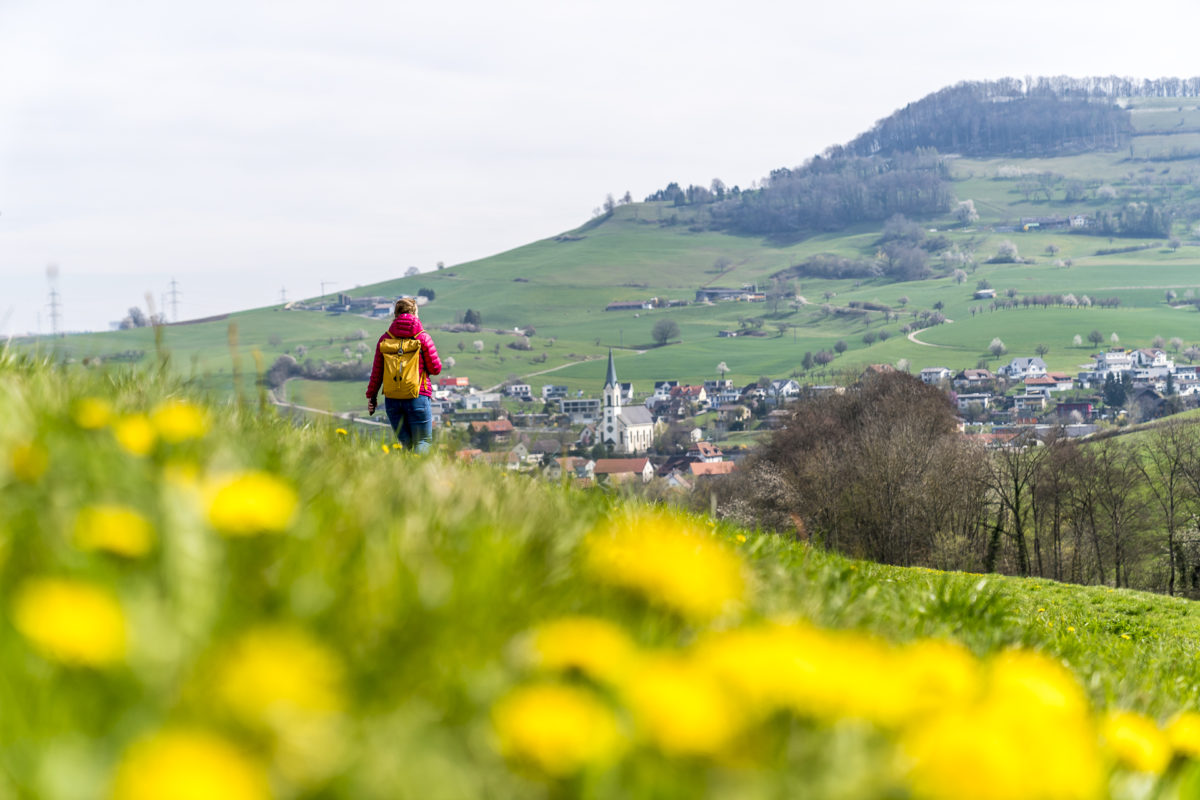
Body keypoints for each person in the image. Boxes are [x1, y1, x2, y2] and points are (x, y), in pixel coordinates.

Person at [366, 297, 442, 453]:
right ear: (415, 312)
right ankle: (420, 474)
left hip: (392, 399)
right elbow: (435, 369)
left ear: (396, 314)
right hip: (418, 396)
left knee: (405, 444)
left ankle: (407, 474)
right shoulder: (422, 338)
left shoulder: (385, 339)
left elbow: (377, 373)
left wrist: (372, 397)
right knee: (422, 440)